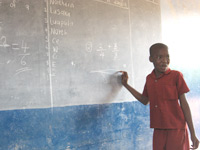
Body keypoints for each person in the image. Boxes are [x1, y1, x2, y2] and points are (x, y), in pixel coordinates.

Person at [120, 43, 199, 150]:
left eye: (167, 56)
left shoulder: (176, 76)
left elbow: (184, 104)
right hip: (158, 130)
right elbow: (145, 100)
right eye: (159, 57)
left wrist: (193, 134)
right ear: (151, 59)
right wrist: (126, 85)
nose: (165, 60)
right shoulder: (149, 79)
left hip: (176, 129)